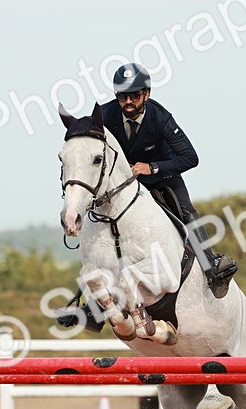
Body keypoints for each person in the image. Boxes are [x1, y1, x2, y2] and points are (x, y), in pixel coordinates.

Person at [100, 63, 238, 299]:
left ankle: (211, 268)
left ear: (147, 94)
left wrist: (152, 167)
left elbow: (190, 157)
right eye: (123, 97)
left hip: (163, 176)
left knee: (186, 212)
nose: (129, 102)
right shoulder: (104, 114)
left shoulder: (160, 117)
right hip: (127, 182)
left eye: (135, 95)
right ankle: (88, 297)